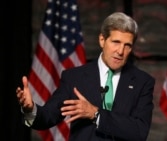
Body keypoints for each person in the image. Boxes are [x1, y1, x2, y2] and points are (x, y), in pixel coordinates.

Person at [16, 12, 155, 141]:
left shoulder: (142, 82)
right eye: (116, 42)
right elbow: (48, 117)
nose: (120, 51)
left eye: (127, 45)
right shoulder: (74, 77)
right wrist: (30, 109)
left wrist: (96, 114)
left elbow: (139, 131)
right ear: (102, 40)